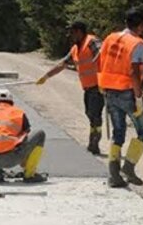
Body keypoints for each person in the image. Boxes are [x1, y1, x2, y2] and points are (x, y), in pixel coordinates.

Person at [98, 8, 143, 188]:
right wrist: (138, 97)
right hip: (128, 92)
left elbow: (101, 61)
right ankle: (128, 167)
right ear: (140, 25)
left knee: (118, 132)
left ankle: (114, 175)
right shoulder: (137, 43)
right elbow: (134, 71)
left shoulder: (110, 38)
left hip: (109, 91)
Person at [36, 21, 104, 154]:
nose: (71, 36)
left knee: (95, 115)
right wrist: (46, 76)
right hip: (88, 88)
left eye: (72, 33)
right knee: (90, 114)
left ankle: (94, 143)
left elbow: (103, 55)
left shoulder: (92, 41)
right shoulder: (75, 49)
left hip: (98, 86)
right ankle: (93, 141)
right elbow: (63, 64)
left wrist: (104, 79)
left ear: (79, 31)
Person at [0, 89, 47, 183]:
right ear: (12, 101)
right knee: (40, 134)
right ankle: (30, 174)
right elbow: (26, 132)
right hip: (10, 159)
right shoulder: (18, 112)